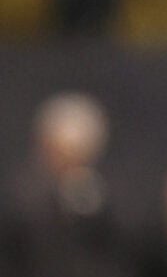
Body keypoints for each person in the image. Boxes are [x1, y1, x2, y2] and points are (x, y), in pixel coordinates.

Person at [0, 92, 130, 277]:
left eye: (75, 153)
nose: (66, 161)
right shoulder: (21, 198)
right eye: (60, 150)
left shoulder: (103, 197)